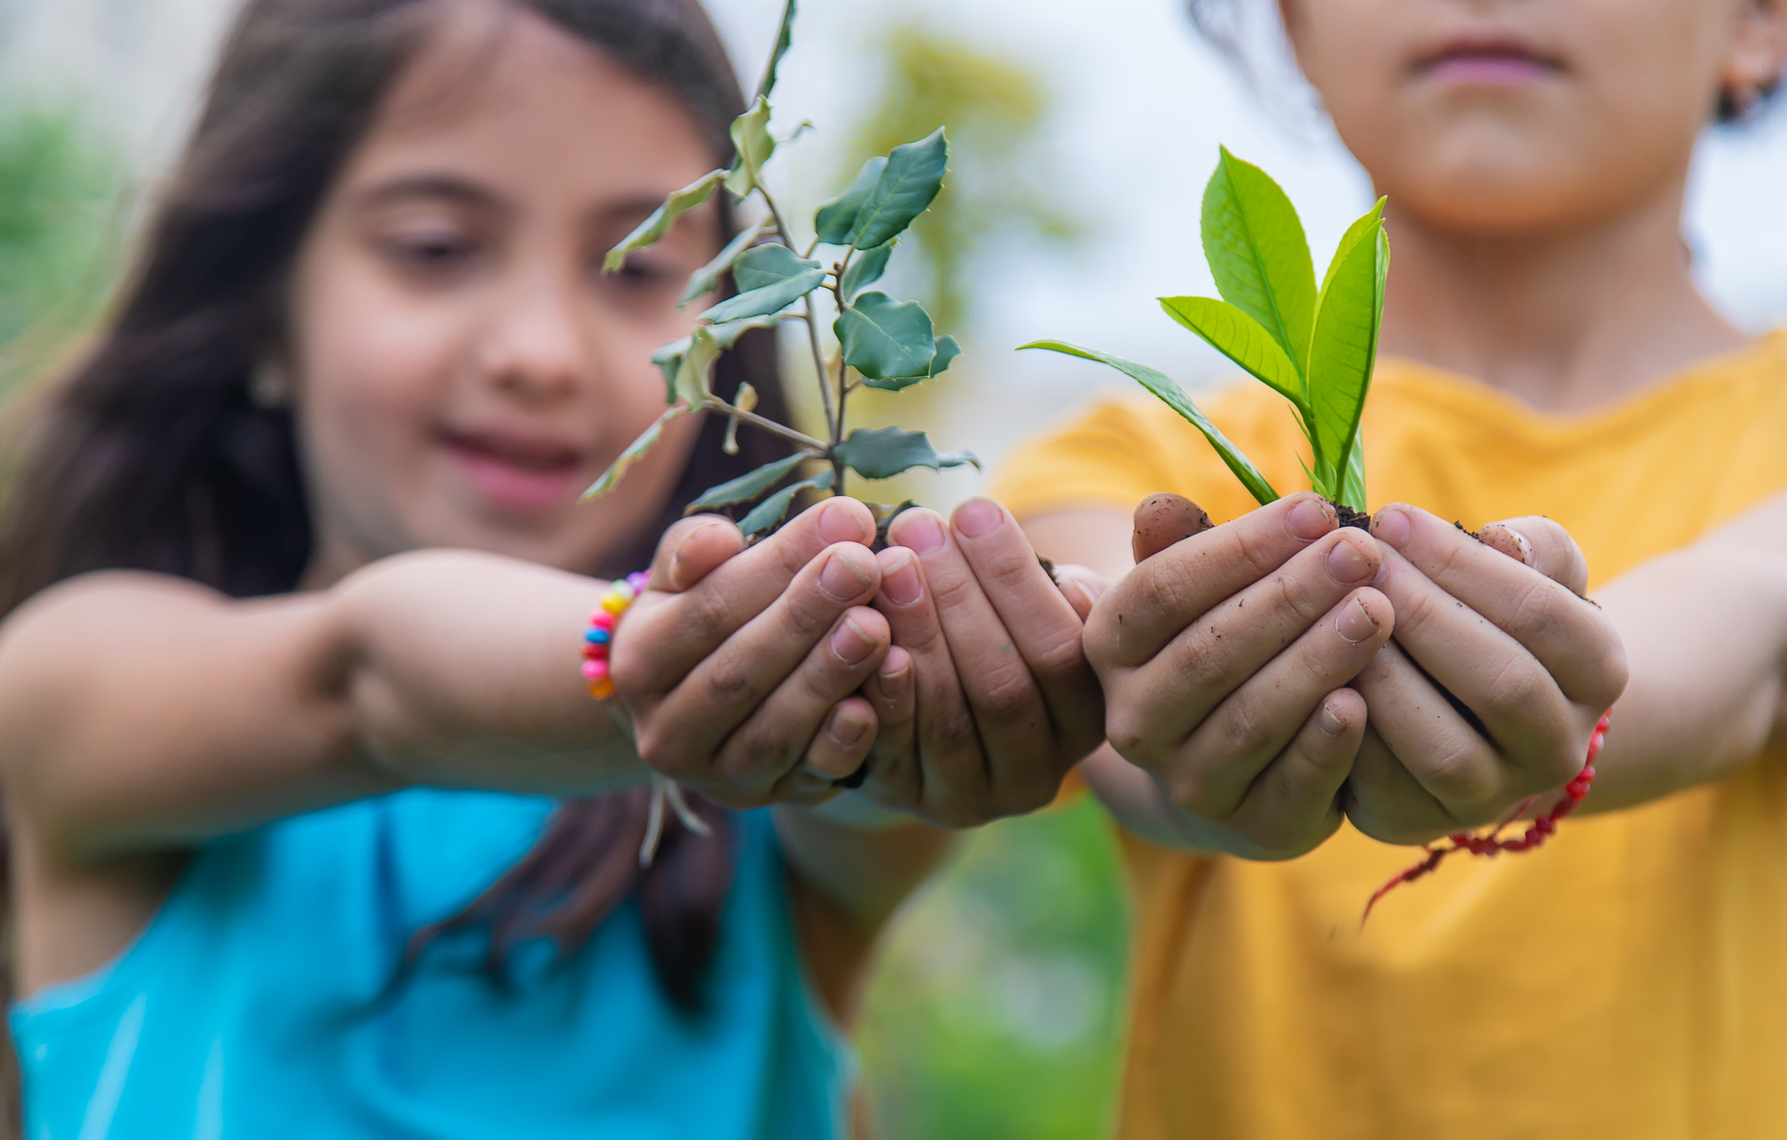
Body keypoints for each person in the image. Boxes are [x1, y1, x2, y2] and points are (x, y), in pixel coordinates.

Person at [0, 0, 1099, 1135]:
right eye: (435, 248)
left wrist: (913, 669)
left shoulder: (777, 793)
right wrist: (643, 652)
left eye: (635, 269)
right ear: (259, 313)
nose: (539, 352)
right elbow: (365, 677)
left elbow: (869, 788)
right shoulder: (83, 683)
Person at [981, 0, 1787, 1136]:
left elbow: (1772, 626)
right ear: (1293, 25)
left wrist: (1562, 691)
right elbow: (1113, 693)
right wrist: (1179, 736)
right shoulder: (1123, 464)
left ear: (1761, 20)